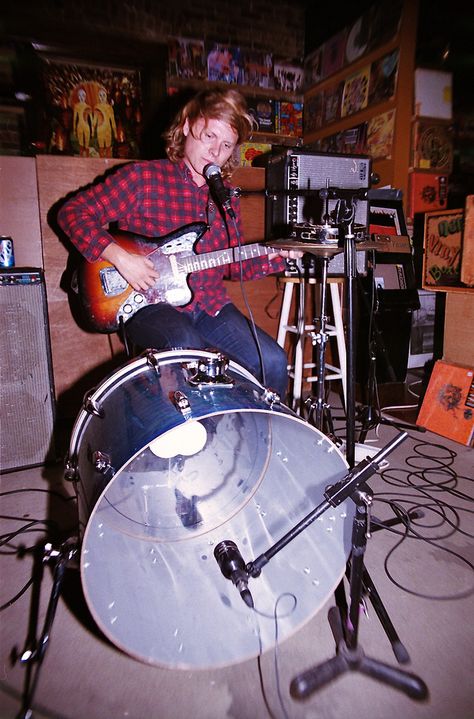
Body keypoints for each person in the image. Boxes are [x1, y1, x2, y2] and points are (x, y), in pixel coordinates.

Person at [58, 86, 294, 398]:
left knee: (274, 362)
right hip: (147, 304)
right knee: (185, 348)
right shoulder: (142, 178)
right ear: (186, 126)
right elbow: (72, 213)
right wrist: (120, 257)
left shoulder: (225, 196)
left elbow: (232, 266)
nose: (215, 151)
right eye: (209, 136)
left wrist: (280, 255)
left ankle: (258, 440)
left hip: (209, 305)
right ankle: (182, 439)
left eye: (226, 145)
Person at [93, 86, 117, 158]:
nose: (102, 97)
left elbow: (112, 120)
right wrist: (92, 131)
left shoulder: (109, 108)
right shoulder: (96, 107)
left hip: (108, 130)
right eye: (100, 95)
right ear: (98, 97)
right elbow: (94, 120)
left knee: (108, 147)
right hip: (100, 130)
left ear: (106, 96)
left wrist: (115, 132)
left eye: (104, 95)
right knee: (101, 148)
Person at [72, 87, 92, 157]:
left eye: (83, 95)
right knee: (81, 144)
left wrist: (91, 130)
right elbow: (75, 119)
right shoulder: (76, 106)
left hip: (86, 127)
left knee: (86, 145)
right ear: (78, 97)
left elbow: (91, 120)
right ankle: (81, 160)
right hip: (80, 126)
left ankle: (87, 159)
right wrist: (74, 130)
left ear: (85, 97)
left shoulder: (88, 107)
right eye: (80, 95)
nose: (81, 97)